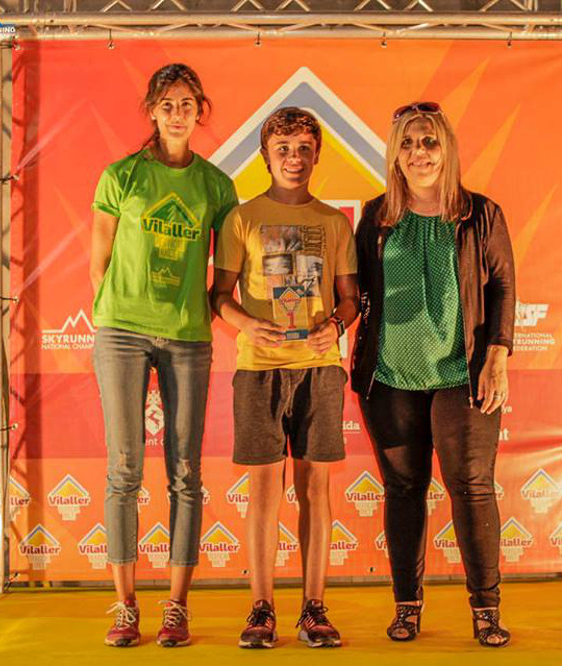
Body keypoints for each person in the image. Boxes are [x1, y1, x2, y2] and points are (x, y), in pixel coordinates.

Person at [350, 102, 515, 648]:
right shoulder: (376, 217)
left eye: (429, 142)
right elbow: (355, 291)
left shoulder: (480, 214)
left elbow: (502, 287)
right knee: (403, 489)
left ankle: (486, 610)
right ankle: (407, 607)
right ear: (394, 155)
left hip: (463, 377)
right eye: (408, 143)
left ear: (447, 149)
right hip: (390, 377)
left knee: (471, 487)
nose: (419, 153)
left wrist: (497, 355)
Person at [89, 63, 237, 648]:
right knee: (124, 469)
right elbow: (98, 261)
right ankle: (125, 606)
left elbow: (227, 269)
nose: (177, 113)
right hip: (122, 331)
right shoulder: (121, 175)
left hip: (187, 337)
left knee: (185, 473)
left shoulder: (215, 186)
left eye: (187, 104)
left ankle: (176, 607)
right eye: (167, 104)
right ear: (151, 110)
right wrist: (114, 316)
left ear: (200, 111)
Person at [211, 107, 359, 649]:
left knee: (315, 490)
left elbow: (350, 299)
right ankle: (262, 607)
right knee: (264, 492)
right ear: (265, 156)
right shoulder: (241, 219)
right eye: (283, 149)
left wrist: (335, 327)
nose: (293, 158)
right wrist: (247, 324)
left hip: (319, 369)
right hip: (258, 369)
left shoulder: (335, 222)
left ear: (317, 155)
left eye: (303, 149)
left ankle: (314, 608)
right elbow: (219, 296)